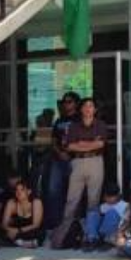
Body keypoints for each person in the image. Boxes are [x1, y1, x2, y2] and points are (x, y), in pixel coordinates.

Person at [62, 97, 107, 224]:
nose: (88, 109)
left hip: (96, 162)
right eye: (85, 106)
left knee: (94, 199)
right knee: (72, 198)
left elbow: (100, 144)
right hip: (77, 162)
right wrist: (92, 142)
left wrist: (81, 143)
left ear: (95, 109)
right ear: (81, 109)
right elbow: (70, 146)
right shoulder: (73, 126)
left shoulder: (100, 125)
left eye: (91, 106)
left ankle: (91, 232)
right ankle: (66, 230)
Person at [44, 92, 79, 229]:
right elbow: (53, 141)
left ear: (76, 103)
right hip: (58, 160)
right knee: (53, 190)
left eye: (69, 101)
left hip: (75, 159)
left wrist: (71, 152)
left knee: (75, 192)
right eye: (64, 101)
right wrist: (60, 153)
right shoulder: (59, 120)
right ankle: (56, 223)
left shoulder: (80, 119)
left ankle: (73, 224)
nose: (66, 104)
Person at [83, 182, 127, 251]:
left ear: (117, 195)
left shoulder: (125, 206)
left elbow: (127, 223)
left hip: (115, 233)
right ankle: (92, 239)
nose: (108, 199)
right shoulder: (104, 206)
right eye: (106, 197)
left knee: (112, 213)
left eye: (110, 197)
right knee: (92, 213)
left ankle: (107, 241)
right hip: (101, 233)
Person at [1, 180, 44, 249]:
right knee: (3, 233)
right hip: (17, 230)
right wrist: (11, 230)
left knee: (38, 232)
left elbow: (36, 224)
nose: (19, 192)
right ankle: (22, 242)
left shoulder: (36, 202)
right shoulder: (11, 202)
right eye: (17, 190)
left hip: (30, 230)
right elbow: (4, 224)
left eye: (22, 190)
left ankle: (20, 242)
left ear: (29, 192)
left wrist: (18, 230)